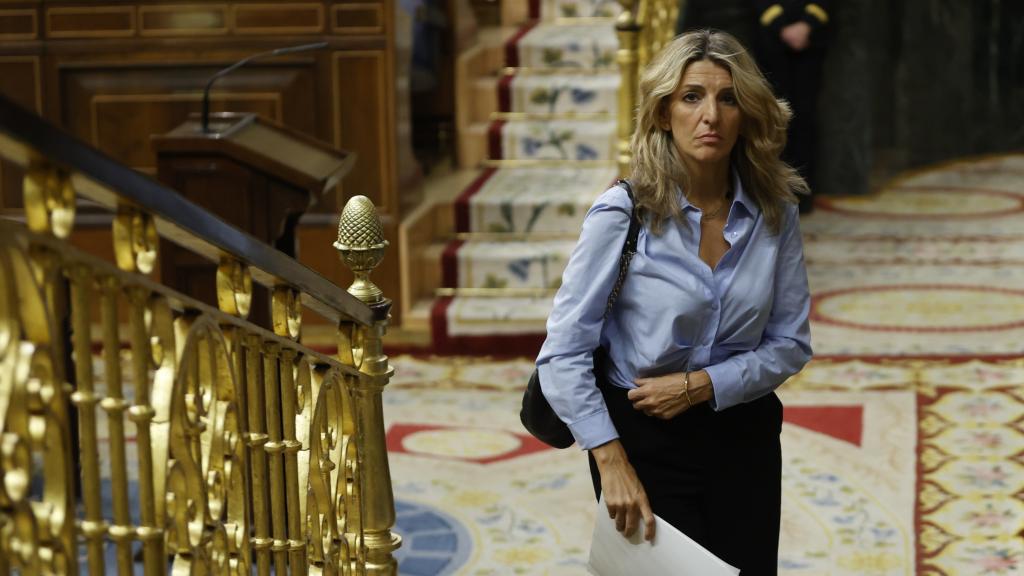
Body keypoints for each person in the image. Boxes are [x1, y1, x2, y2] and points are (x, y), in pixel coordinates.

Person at [535, 29, 812, 575]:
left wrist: (701, 385)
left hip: (745, 436)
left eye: (727, 98)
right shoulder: (623, 213)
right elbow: (562, 355)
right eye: (691, 97)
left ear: (746, 113)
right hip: (643, 444)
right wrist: (610, 460)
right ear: (664, 113)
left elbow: (790, 345)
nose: (710, 114)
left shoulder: (776, 213)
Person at [753, 0, 832, 213]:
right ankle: (774, 192)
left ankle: (802, 195)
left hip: (811, 43)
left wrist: (808, 24)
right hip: (770, 44)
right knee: (774, 119)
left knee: (805, 120)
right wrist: (780, 25)